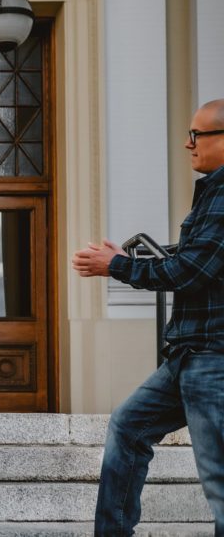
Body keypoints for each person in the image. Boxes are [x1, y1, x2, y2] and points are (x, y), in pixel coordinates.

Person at [72, 99, 224, 536]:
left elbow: (190, 272)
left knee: (218, 479)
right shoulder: (213, 192)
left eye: (196, 135)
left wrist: (115, 266)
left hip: (213, 359)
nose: (187, 143)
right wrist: (124, 258)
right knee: (129, 426)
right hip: (189, 354)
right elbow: (195, 259)